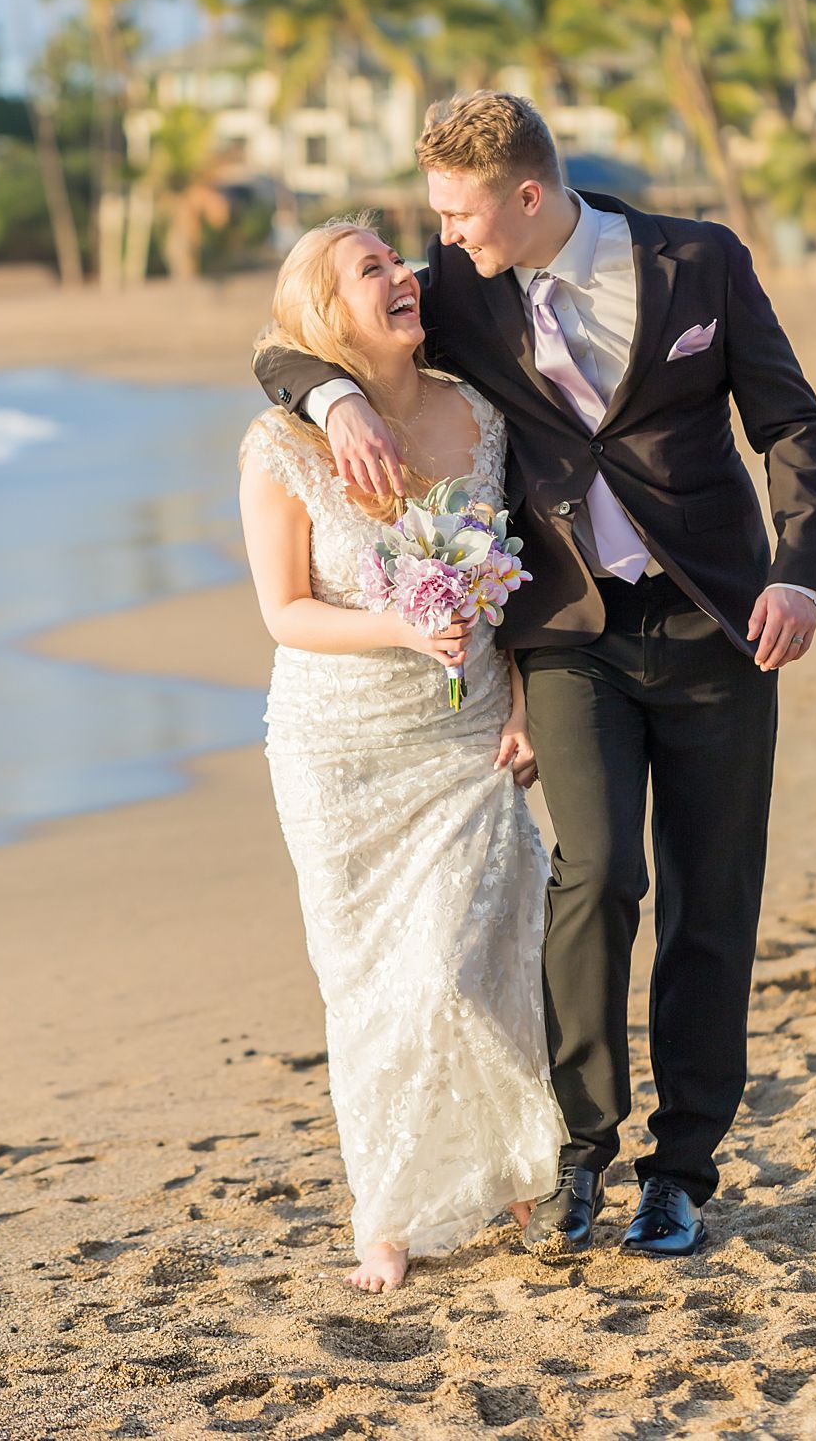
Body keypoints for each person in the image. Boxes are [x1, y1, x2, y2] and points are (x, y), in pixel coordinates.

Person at [253, 92, 816, 1262]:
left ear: (528, 196)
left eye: (460, 214)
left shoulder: (698, 262)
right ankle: (581, 1155)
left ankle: (681, 1173)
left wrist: (798, 573)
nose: (443, 238)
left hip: (722, 623)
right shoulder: (460, 288)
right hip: (571, 636)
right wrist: (334, 393)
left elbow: (792, 423)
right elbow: (293, 339)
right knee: (599, 870)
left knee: (712, 902)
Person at [238, 215, 566, 1295]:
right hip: (338, 746)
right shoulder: (281, 445)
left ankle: (526, 1173)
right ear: (329, 313)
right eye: (370, 268)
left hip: (466, 729)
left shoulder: (476, 411)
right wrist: (398, 623)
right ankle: (385, 1211)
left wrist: (519, 694)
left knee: (473, 956)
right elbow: (285, 611)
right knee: (369, 981)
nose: (403, 274)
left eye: (399, 259)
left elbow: (511, 570)